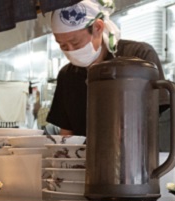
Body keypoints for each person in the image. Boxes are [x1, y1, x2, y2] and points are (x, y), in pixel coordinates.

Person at [46, 0, 166, 137]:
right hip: (83, 151)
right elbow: (66, 133)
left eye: (75, 42)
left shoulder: (139, 56)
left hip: (135, 149)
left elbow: (160, 119)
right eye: (63, 46)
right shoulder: (67, 75)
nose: (71, 50)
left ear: (98, 28)